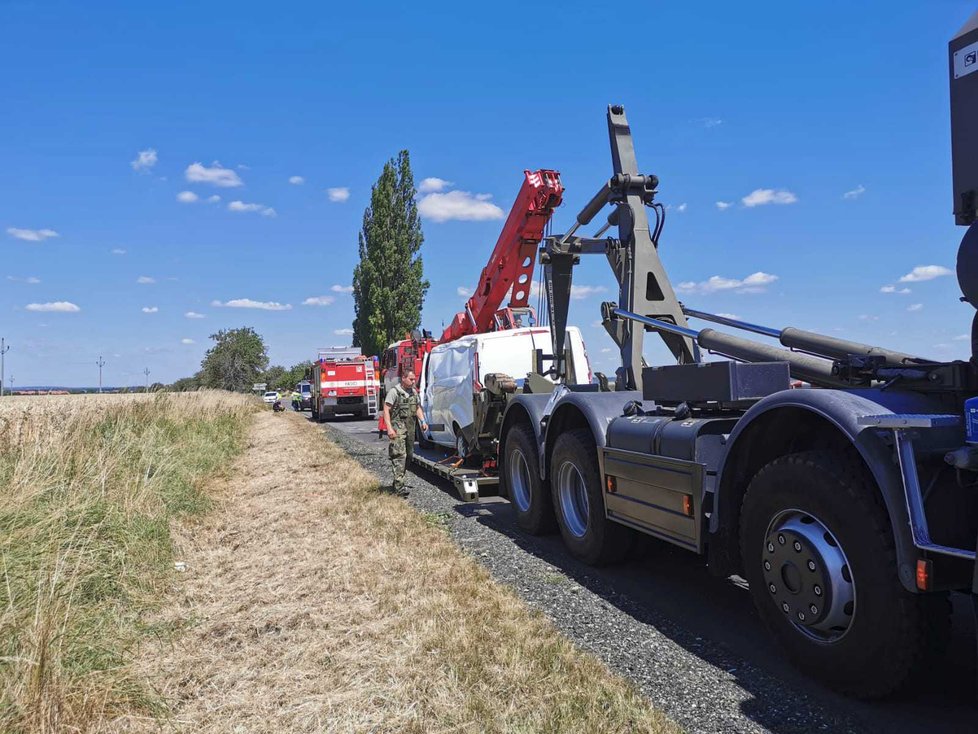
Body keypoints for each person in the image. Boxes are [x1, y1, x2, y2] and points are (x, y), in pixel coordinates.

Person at [383, 369, 427, 497]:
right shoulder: (394, 392)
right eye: (411, 379)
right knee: (399, 455)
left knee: (409, 455)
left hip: (410, 427)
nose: (413, 381)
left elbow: (417, 407)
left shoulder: (413, 392)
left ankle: (399, 480)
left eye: (414, 379)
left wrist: (423, 421)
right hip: (398, 426)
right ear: (403, 378)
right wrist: (389, 428)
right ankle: (399, 486)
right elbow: (386, 410)